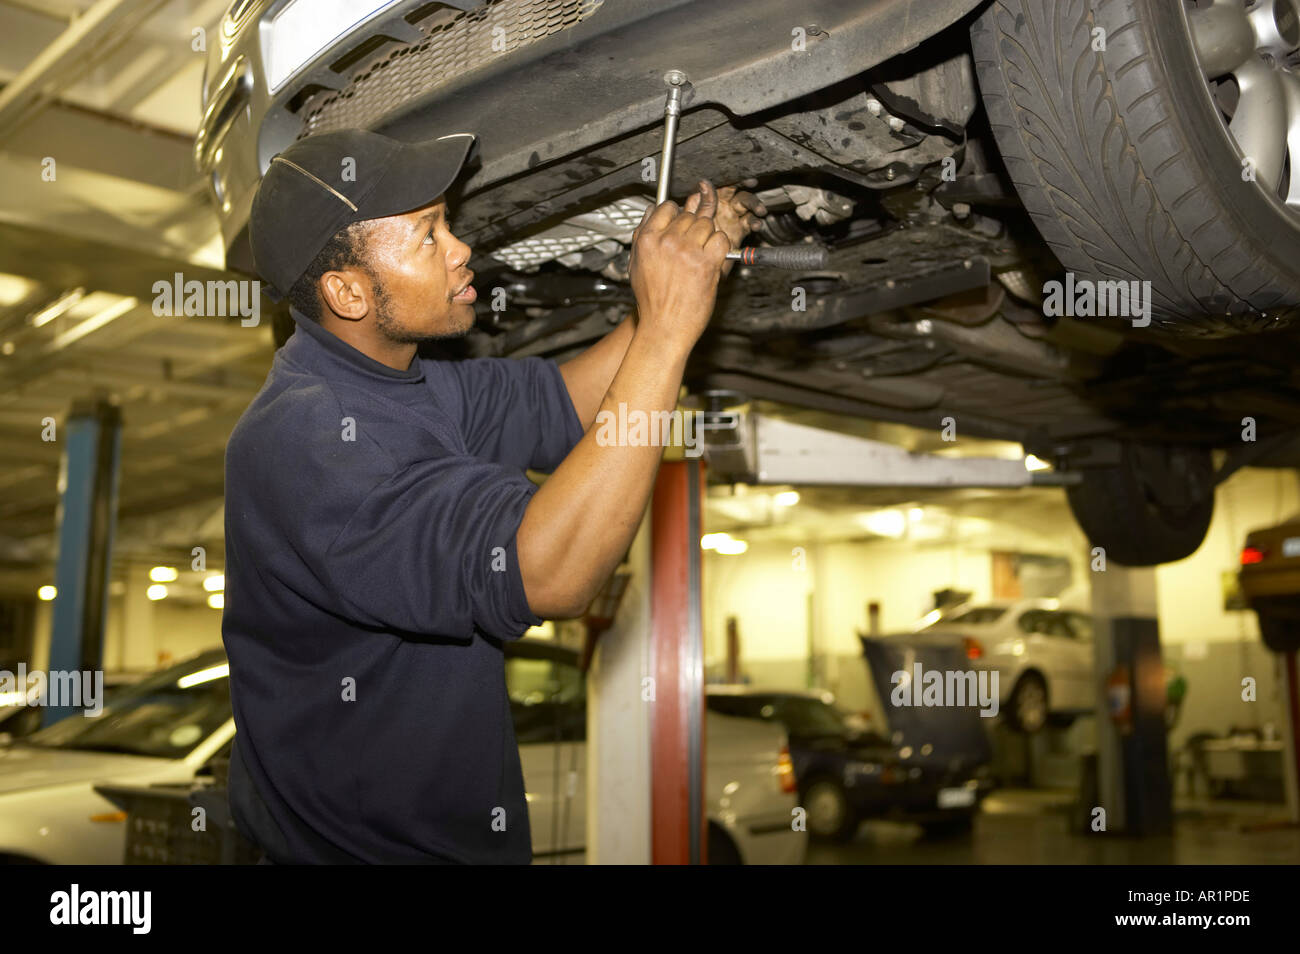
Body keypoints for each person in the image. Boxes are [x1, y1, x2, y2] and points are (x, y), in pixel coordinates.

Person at [221, 127, 765, 863]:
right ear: (346, 291)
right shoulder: (309, 442)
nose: (460, 248)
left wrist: (679, 278)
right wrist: (668, 331)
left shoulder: (408, 382)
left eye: (446, 223)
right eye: (425, 237)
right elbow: (549, 573)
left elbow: (563, 402)